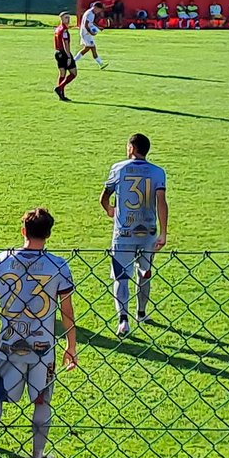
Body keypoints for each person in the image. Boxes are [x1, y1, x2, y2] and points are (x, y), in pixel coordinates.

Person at [0, 207, 77, 458]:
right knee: (42, 399)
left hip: (9, 341)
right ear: (48, 234)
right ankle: (37, 456)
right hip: (43, 346)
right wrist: (71, 346)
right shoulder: (58, 265)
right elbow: (66, 310)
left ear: (23, 230)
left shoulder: (2, 259)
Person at [100, 133, 168, 338]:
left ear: (131, 148)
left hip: (124, 233)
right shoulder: (158, 172)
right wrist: (163, 232)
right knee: (145, 272)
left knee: (121, 276)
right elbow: (161, 202)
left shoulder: (118, 168)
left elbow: (104, 196)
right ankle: (142, 312)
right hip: (148, 232)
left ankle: (123, 320)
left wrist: (109, 210)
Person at [74, 1, 107, 69]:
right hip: (86, 33)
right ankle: (100, 63)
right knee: (90, 48)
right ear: (95, 7)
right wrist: (91, 32)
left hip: (87, 33)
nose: (99, 11)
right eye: (99, 10)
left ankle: (101, 63)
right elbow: (86, 24)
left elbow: (91, 23)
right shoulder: (90, 13)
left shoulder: (91, 13)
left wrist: (98, 27)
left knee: (89, 48)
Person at [53, 11, 77, 102]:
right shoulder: (64, 30)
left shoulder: (57, 28)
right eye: (66, 17)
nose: (68, 19)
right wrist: (69, 56)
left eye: (69, 17)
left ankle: (61, 95)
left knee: (62, 73)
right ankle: (60, 88)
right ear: (61, 18)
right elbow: (65, 43)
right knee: (73, 73)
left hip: (58, 52)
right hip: (64, 53)